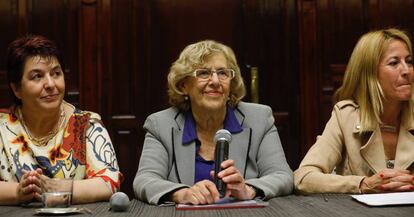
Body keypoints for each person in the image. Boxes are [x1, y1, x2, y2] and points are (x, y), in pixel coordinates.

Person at [133, 40, 293, 205]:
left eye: (223, 73)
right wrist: (182, 194)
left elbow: (282, 176)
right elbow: (144, 180)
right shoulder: (161, 125)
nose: (215, 81)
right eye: (203, 73)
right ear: (183, 85)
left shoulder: (259, 119)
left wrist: (249, 190)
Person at [0, 35, 123, 205]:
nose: (50, 84)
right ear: (16, 89)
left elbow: (109, 182)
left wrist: (55, 187)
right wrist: (18, 192)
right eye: (37, 76)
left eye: (56, 73)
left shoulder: (86, 124)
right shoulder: (2, 128)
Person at [294, 28, 414, 194]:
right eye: (394, 63)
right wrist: (363, 184)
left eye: (409, 61)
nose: (407, 70)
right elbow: (304, 178)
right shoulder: (346, 117)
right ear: (369, 73)